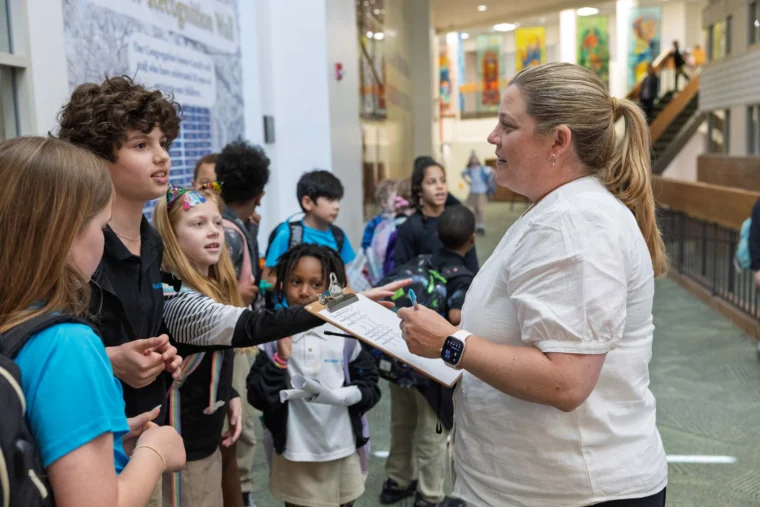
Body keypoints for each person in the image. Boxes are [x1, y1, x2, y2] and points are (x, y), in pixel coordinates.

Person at [399, 62, 669, 506]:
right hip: (534, 486)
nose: (492, 137)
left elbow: (566, 381)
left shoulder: (574, 223)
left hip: (574, 492)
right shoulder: (557, 210)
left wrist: (450, 343)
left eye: (507, 125)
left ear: (558, 141)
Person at [1, 136, 186, 507]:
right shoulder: (68, 345)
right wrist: (155, 451)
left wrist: (109, 443)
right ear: (64, 234)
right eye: (101, 228)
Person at [57, 75, 183, 425]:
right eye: (141, 145)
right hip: (90, 431)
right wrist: (110, 359)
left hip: (150, 426)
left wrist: (162, 353)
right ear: (98, 157)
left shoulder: (153, 241)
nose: (162, 157)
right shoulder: (75, 247)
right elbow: (42, 348)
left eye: (163, 142)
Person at [247, 244, 381, 507]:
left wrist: (338, 396)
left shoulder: (346, 337)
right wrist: (279, 361)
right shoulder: (274, 337)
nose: (305, 292)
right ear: (283, 283)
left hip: (341, 449)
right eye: (296, 282)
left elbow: (370, 387)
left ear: (332, 288)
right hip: (295, 453)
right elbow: (258, 395)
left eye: (316, 284)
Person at [381, 206, 476, 507]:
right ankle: (430, 494)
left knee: (401, 423)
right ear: (471, 240)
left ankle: (396, 481)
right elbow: (456, 319)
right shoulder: (461, 276)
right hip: (431, 372)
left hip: (400, 360)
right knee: (432, 434)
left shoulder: (420, 262)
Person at [214, 141, 272, 507]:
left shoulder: (229, 225)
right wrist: (242, 295)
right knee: (242, 425)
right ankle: (244, 495)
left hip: (228, 337)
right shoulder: (232, 234)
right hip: (234, 340)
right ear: (260, 193)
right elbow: (222, 296)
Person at [393, 157, 479, 275]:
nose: (440, 186)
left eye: (443, 180)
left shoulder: (459, 221)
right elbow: (402, 273)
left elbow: (473, 268)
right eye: (431, 182)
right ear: (419, 189)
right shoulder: (409, 228)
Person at [265, 170, 357, 272]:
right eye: (330, 199)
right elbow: (268, 278)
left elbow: (343, 279)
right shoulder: (288, 235)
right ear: (307, 202)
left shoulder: (339, 236)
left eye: (338, 200)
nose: (337, 206)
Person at [460, 152, 492, 235]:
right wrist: (467, 181)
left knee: (480, 209)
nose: (473, 160)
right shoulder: (469, 170)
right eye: (472, 159)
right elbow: (462, 173)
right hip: (473, 191)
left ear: (477, 160)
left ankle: (481, 226)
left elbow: (492, 171)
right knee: (475, 210)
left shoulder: (482, 169)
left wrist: (489, 182)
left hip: (481, 191)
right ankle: (477, 226)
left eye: (475, 158)